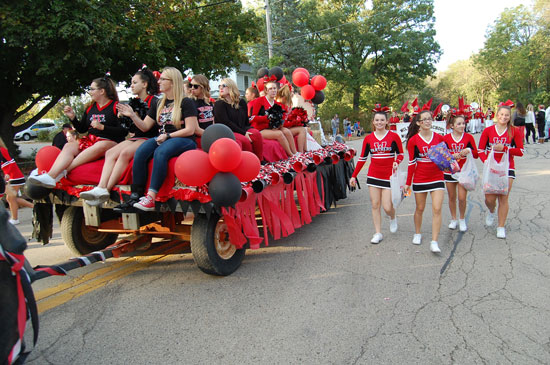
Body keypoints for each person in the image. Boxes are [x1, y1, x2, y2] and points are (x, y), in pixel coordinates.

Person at [118, 67, 198, 211]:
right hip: (163, 138)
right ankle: (136, 196)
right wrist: (132, 115)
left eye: (162, 79)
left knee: (160, 152)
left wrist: (168, 135)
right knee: (141, 151)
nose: (158, 81)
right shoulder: (158, 103)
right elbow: (144, 127)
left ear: (173, 82)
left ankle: (151, 197)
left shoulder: (186, 102)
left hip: (183, 139)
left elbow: (190, 129)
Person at [29, 75, 127, 188]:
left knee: (101, 144)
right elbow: (82, 129)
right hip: (91, 140)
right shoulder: (90, 108)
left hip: (110, 142)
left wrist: (103, 127)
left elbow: (123, 131)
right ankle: (51, 176)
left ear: (102, 91)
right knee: (69, 146)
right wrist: (73, 118)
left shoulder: (116, 107)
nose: (90, 92)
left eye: (92, 89)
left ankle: (63, 172)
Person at [80, 67, 159, 205]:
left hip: (150, 137)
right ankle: (101, 187)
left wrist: (132, 116)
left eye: (135, 82)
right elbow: (130, 129)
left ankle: (107, 189)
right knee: (110, 153)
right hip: (136, 137)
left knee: (124, 153)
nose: (131, 85)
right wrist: (124, 119)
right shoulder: (133, 102)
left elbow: (146, 127)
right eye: (131, 83)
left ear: (144, 84)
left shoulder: (154, 101)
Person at [349, 107, 404, 244]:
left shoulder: (394, 136)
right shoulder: (368, 139)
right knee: (375, 204)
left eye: (382, 120)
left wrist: (396, 162)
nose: (379, 122)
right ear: (373, 122)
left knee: (387, 206)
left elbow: (401, 154)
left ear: (386, 122)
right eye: (377, 120)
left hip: (389, 176)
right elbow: (362, 159)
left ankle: (392, 217)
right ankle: (378, 232)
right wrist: (354, 176)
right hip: (373, 175)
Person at [478, 102, 524, 239]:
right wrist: (487, 162)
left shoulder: (514, 131)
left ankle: (501, 226)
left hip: (507, 167)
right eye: (501, 114)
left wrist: (505, 148)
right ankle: (491, 211)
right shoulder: (488, 131)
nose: (504, 117)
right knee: (489, 198)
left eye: (507, 115)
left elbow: (520, 151)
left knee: (504, 197)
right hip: (491, 168)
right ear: (497, 115)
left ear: (510, 117)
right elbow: (480, 150)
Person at [403, 110, 445, 253]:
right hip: (421, 178)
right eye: (424, 119)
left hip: (437, 177)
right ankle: (417, 233)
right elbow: (411, 162)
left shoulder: (439, 138)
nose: (428, 121)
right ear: (419, 123)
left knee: (437, 208)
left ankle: (434, 241)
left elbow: (445, 158)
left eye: (429, 119)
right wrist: (408, 182)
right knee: (420, 208)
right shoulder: (413, 140)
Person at [442, 113, 478, 232]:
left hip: (464, 172)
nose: (462, 126)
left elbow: (476, 154)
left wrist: (468, 150)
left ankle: (462, 219)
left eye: (463, 123)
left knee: (462, 198)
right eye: (459, 124)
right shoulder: (446, 138)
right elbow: (441, 155)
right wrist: (451, 155)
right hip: (450, 171)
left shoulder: (468, 137)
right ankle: (453, 219)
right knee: (452, 197)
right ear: (452, 126)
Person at [214, 78, 263, 160]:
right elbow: (226, 122)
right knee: (245, 140)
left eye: (224, 86)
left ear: (231, 87)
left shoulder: (241, 102)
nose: (221, 88)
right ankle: (248, 161)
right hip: (228, 130)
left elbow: (246, 121)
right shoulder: (219, 104)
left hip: (242, 128)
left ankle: (259, 161)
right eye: (220, 86)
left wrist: (249, 130)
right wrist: (243, 133)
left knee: (256, 134)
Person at [248, 80, 297, 157]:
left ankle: (295, 153)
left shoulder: (277, 104)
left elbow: (281, 118)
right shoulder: (259, 101)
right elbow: (252, 118)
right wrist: (268, 118)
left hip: (271, 127)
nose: (273, 90)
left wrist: (279, 122)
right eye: (270, 89)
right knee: (279, 134)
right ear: (266, 91)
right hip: (259, 129)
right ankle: (291, 155)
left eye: (274, 88)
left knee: (286, 131)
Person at [0, 138, 33, 225]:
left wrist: (7, 174)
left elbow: (10, 163)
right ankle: (35, 208)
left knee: (10, 198)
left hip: (14, 176)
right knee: (12, 197)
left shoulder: (1, 150)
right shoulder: (3, 150)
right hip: (13, 176)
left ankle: (15, 218)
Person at [277, 84, 307, 152]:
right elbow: (282, 122)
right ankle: (300, 152)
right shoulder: (281, 105)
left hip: (286, 127)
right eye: (292, 92)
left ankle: (305, 150)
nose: (293, 93)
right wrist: (293, 122)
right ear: (288, 93)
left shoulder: (288, 104)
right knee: (302, 130)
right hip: (282, 128)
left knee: (304, 129)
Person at [189, 74, 214, 148]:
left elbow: (213, 122)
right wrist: (211, 136)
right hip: (197, 138)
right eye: (191, 85)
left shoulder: (209, 102)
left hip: (209, 135)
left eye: (195, 86)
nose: (192, 88)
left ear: (203, 87)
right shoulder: (190, 102)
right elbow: (195, 129)